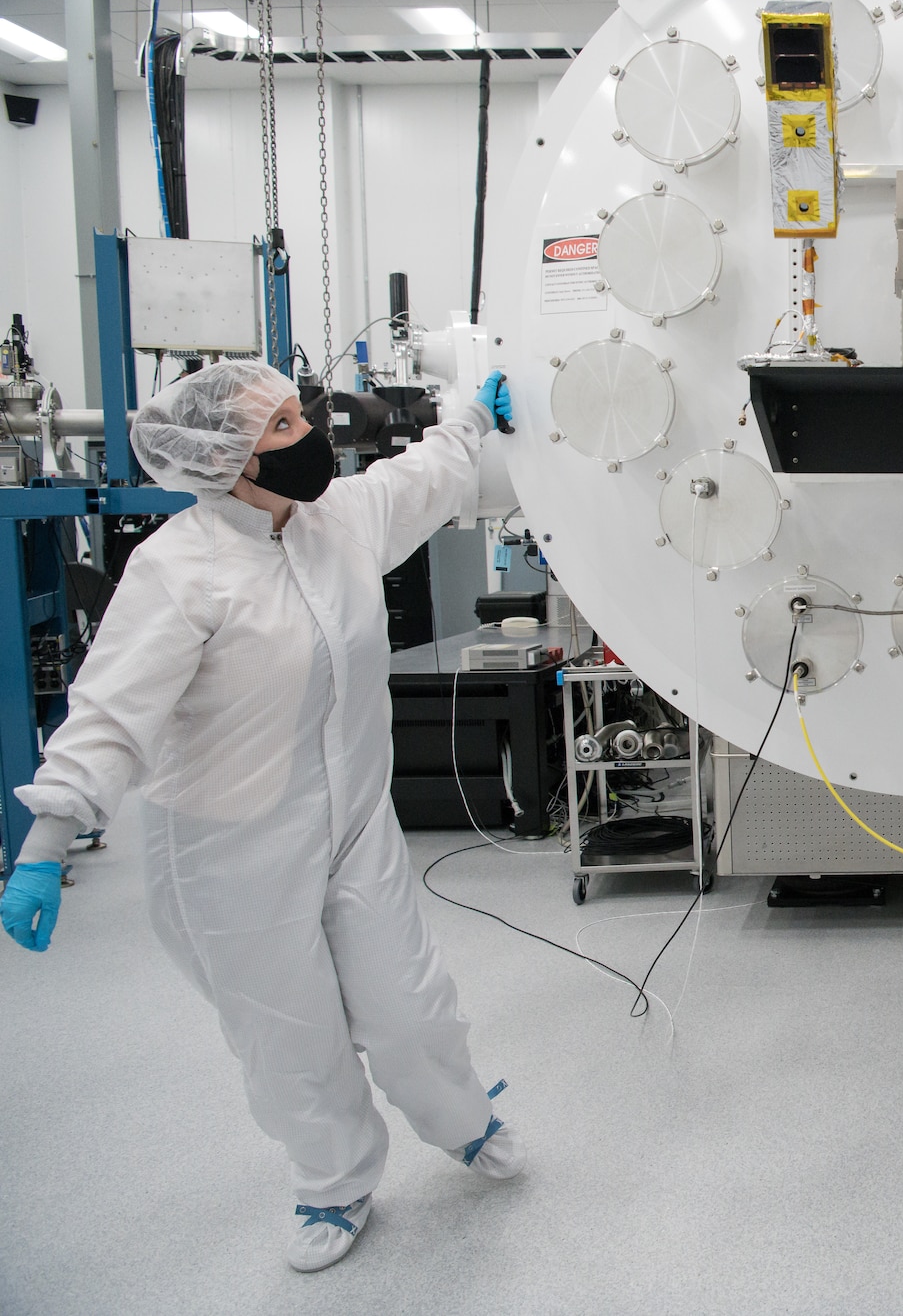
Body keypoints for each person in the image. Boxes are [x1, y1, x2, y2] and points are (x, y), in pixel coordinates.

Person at [0, 360, 521, 1273]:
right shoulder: (179, 570)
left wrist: (474, 412)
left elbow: (423, 478)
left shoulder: (338, 523)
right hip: (228, 845)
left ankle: (466, 1121)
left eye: (298, 414)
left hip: (354, 823)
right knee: (290, 1033)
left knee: (408, 1007)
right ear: (227, 458)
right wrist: (46, 840)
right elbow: (111, 710)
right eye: (281, 427)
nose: (308, 434)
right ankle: (334, 1181)